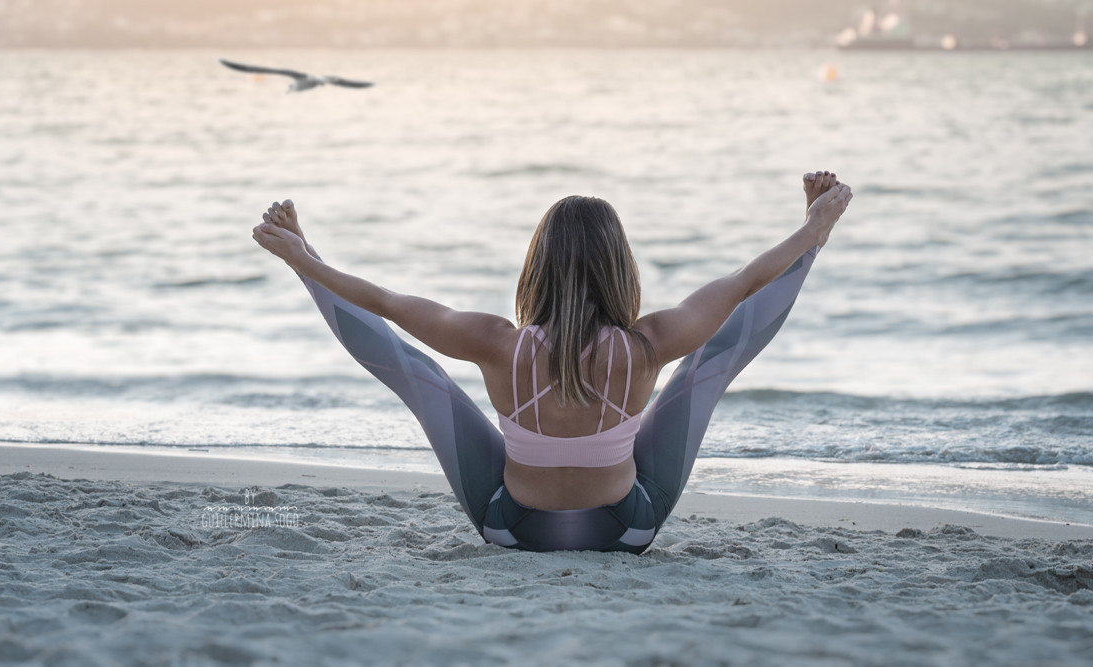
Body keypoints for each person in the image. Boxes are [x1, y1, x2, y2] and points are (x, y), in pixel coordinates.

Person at [252, 172, 851, 553]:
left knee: (417, 372)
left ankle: (305, 264)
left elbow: (383, 303)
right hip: (627, 532)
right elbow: (746, 281)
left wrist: (304, 258)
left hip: (510, 530)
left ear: (536, 263)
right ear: (621, 265)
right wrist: (811, 232)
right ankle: (816, 244)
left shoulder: (496, 344)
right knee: (711, 362)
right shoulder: (647, 344)